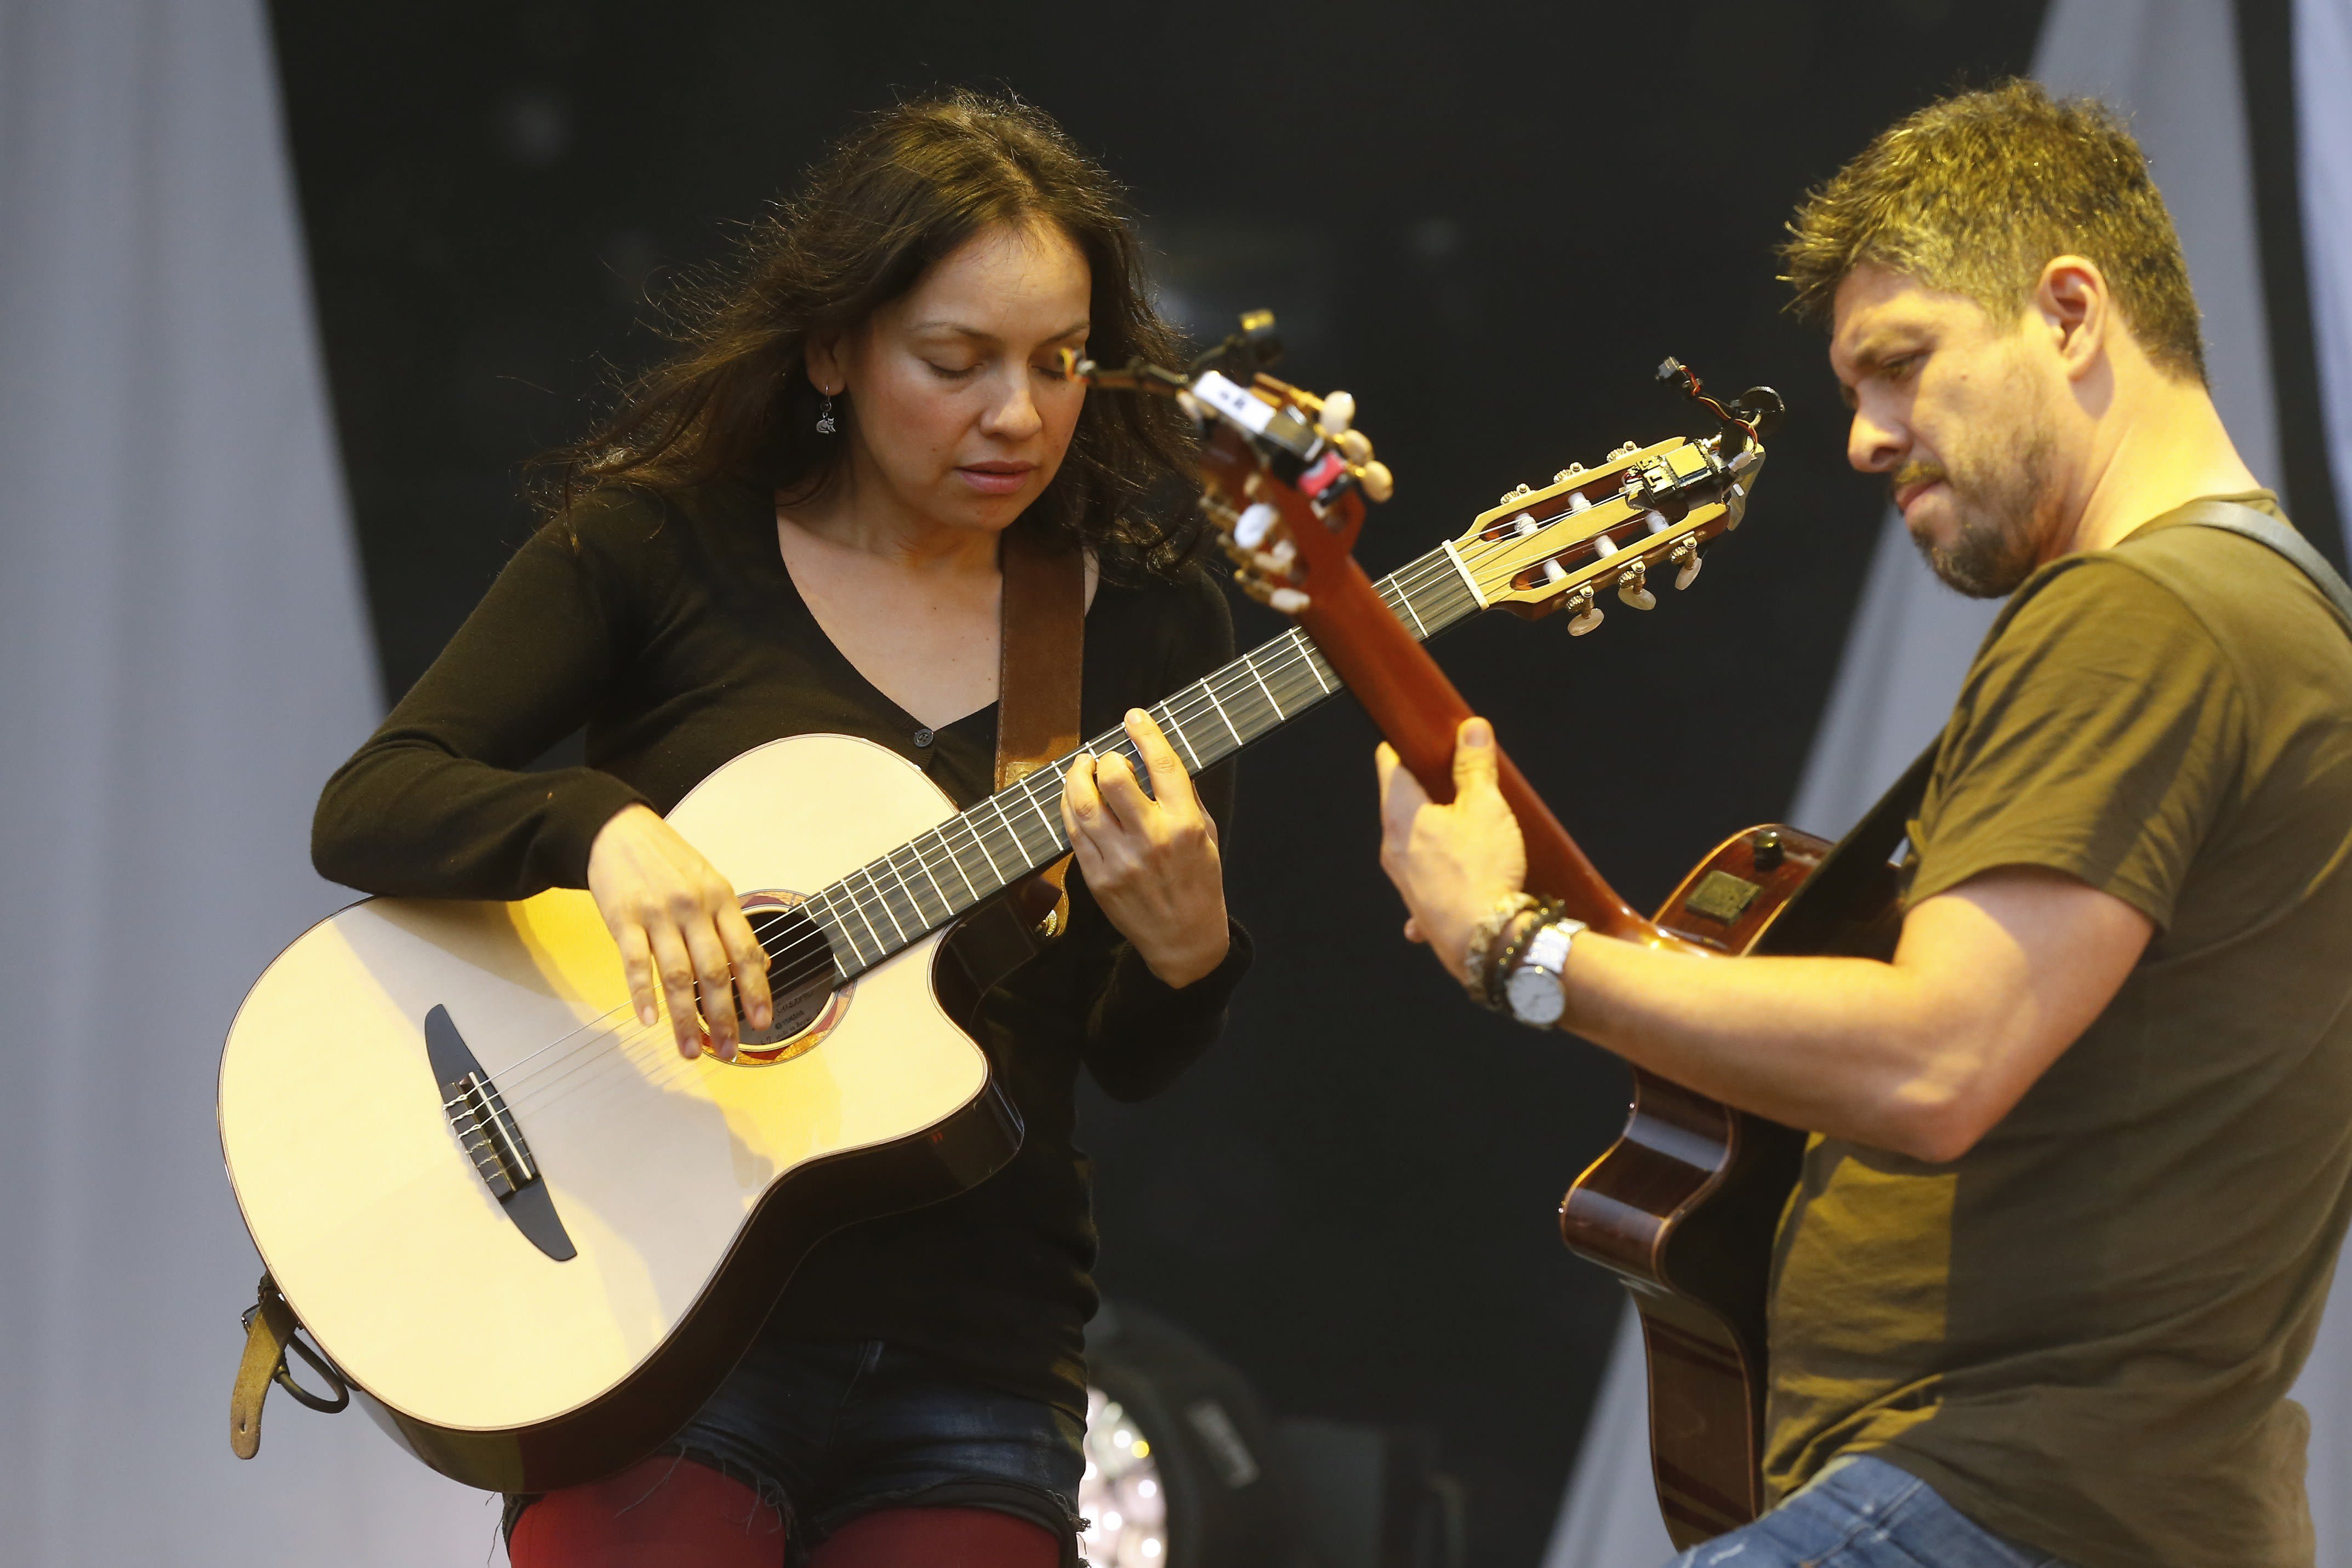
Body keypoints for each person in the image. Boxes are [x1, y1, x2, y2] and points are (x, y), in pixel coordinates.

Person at [1375, 82, 2352, 1568]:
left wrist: (1515, 949)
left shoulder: (2141, 613)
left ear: (2070, 313)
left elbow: (1938, 1057)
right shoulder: (2272, 612)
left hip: (1981, 1506)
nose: (1862, 439)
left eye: (1899, 367)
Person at [311, 92, 1250, 1568]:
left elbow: (1126, 1063)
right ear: (835, 351)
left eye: (1058, 363)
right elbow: (372, 807)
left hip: (979, 1340)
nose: (1017, 414)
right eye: (956, 362)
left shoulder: (1148, 625)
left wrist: (1189, 954)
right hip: (653, 1305)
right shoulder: (657, 548)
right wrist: (595, 828)